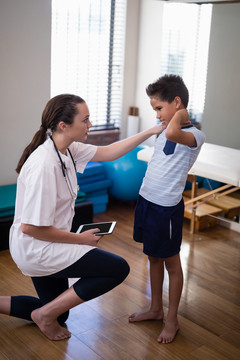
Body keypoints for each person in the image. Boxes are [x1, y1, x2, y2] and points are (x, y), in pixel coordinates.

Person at [0, 94, 164, 341]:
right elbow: (31, 228)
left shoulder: (66, 148)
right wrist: (78, 239)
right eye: (85, 120)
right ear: (64, 125)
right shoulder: (45, 165)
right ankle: (45, 315)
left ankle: (45, 313)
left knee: (60, 314)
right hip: (37, 247)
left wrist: (152, 131)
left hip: (46, 241)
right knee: (117, 268)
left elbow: (109, 152)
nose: (90, 125)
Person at [128, 74, 205, 344]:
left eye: (160, 108)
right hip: (147, 199)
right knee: (152, 256)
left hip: (166, 209)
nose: (157, 115)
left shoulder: (195, 135)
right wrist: (168, 117)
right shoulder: (163, 129)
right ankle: (155, 309)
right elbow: (166, 132)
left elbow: (174, 131)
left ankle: (172, 319)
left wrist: (179, 114)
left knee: (171, 263)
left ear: (177, 103)